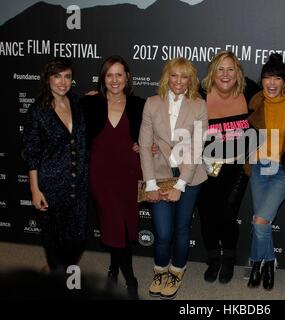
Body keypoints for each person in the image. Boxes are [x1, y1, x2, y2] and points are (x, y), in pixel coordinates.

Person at [139, 57, 208, 299]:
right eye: (174, 75)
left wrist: (181, 184)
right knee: (163, 232)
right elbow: (145, 145)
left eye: (184, 76)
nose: (179, 81)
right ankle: (160, 270)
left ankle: (176, 271)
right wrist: (149, 183)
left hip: (190, 176)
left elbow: (197, 147)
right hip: (158, 174)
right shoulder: (151, 103)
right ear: (166, 76)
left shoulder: (199, 105)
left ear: (191, 80)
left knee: (180, 229)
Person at [81, 55, 144, 299]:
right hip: (101, 175)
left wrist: (145, 145)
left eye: (119, 74)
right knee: (115, 223)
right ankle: (131, 281)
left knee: (124, 227)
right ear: (103, 79)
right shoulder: (90, 104)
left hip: (129, 175)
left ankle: (113, 268)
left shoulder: (139, 104)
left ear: (127, 77)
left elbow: (151, 135)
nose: (115, 80)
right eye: (109, 75)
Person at [197, 51, 260, 284]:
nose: (225, 74)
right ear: (213, 72)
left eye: (230, 69)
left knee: (228, 213)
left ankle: (229, 259)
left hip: (237, 167)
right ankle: (213, 258)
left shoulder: (250, 90)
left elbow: (277, 97)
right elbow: (169, 105)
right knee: (206, 214)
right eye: (220, 69)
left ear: (238, 72)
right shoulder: (199, 93)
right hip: (204, 167)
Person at [246, 53, 285, 290]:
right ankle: (266, 264)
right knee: (260, 221)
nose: (272, 83)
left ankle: (260, 263)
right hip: (260, 168)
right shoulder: (254, 104)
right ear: (261, 80)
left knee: (260, 221)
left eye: (277, 78)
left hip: (283, 170)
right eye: (267, 77)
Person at [22, 57, 88, 273]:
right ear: (47, 79)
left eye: (67, 77)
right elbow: (31, 152)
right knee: (53, 239)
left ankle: (55, 269)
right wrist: (34, 188)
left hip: (78, 184)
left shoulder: (78, 103)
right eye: (57, 76)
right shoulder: (37, 111)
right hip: (50, 185)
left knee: (78, 239)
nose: (62, 82)